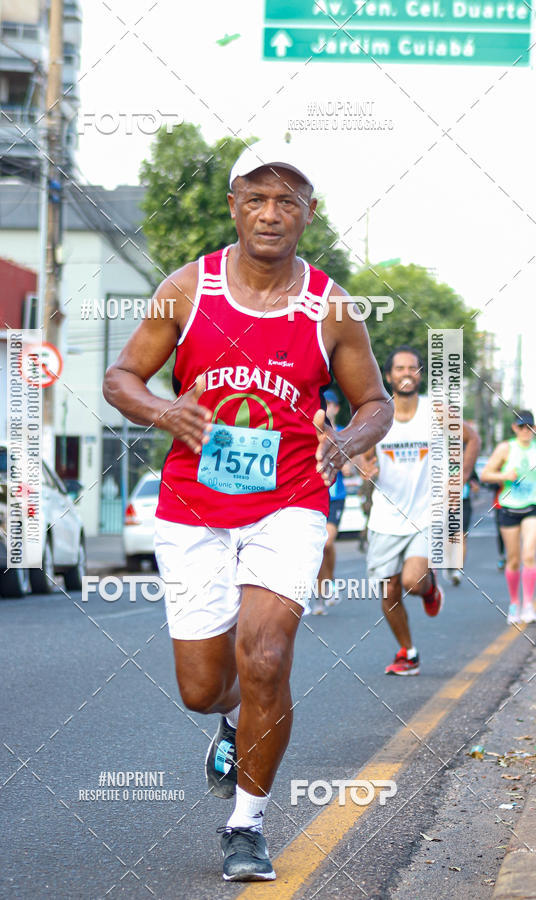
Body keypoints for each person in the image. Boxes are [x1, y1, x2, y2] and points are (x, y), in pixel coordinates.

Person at [102, 138, 392, 882]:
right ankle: (229, 724)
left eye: (286, 200)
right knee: (205, 686)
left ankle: (246, 825)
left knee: (265, 655)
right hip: (193, 506)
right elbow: (121, 377)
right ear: (233, 204)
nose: (270, 213)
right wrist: (166, 413)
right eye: (256, 198)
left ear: (308, 214)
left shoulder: (331, 306)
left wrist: (348, 440)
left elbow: (374, 402)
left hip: (289, 501)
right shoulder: (186, 290)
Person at [357, 345, 480, 675]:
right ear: (389, 375)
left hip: (428, 514)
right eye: (400, 368)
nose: (407, 373)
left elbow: (472, 440)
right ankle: (407, 652)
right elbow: (360, 452)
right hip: (385, 517)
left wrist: (461, 478)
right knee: (388, 588)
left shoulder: (436, 411)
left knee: (412, 580)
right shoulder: (377, 415)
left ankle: (429, 587)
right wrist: (363, 465)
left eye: (413, 368)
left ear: (420, 374)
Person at [480, 410, 536, 624]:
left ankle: (528, 604)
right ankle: (515, 603)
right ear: (514, 428)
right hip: (509, 508)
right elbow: (486, 474)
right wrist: (504, 476)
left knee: (529, 555)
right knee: (513, 559)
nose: (526, 431)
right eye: (521, 427)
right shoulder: (506, 448)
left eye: (529, 427)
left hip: (532, 507)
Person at [312, 388, 351, 613]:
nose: (327, 408)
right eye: (323, 404)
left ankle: (330, 582)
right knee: (318, 545)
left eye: (331, 404)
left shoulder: (344, 433)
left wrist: (350, 466)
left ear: (336, 408)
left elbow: (353, 463)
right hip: (315, 495)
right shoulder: (310, 431)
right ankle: (321, 591)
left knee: (327, 542)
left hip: (335, 496)